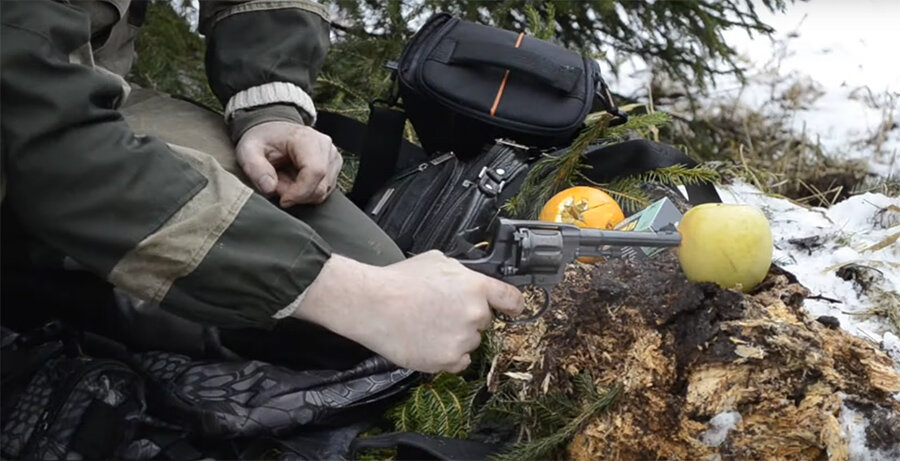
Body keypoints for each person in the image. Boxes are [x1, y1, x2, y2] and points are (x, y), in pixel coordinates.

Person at [0, 0, 524, 374]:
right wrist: (359, 298)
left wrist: (266, 109)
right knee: (351, 312)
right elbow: (46, 138)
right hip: (37, 116)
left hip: (85, 89)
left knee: (357, 284)